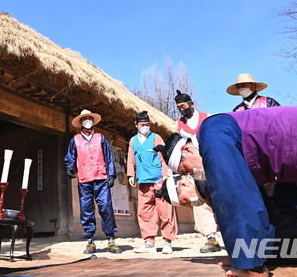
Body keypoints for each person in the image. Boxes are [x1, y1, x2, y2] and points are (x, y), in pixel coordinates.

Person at [160, 106, 297, 277]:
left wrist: (249, 265)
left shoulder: (212, 131)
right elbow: (258, 202)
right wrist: (241, 250)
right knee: (287, 201)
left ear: (188, 149)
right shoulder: (219, 138)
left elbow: (235, 196)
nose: (191, 174)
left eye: (184, 168)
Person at [64, 109, 122, 254]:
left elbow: (108, 158)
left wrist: (111, 175)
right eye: (85, 119)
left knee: (106, 208)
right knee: (86, 209)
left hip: (101, 178)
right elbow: (70, 157)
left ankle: (111, 239)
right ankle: (90, 240)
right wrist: (69, 167)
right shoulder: (75, 140)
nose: (88, 121)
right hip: (84, 179)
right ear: (81, 123)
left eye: (90, 118)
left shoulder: (100, 138)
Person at [174, 90, 220, 253]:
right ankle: (210, 238)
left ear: (192, 104)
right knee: (200, 199)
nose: (182, 109)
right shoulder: (178, 124)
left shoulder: (208, 117)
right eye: (179, 107)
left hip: (212, 162)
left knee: (220, 196)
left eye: (184, 106)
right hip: (194, 167)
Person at [127, 110, 178, 254]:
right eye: (142, 124)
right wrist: (131, 175)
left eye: (147, 124)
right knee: (145, 212)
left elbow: (164, 158)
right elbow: (131, 158)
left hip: (158, 180)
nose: (145, 127)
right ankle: (149, 242)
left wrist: (165, 176)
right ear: (136, 125)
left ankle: (167, 241)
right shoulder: (133, 141)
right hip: (143, 181)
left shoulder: (156, 138)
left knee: (165, 210)